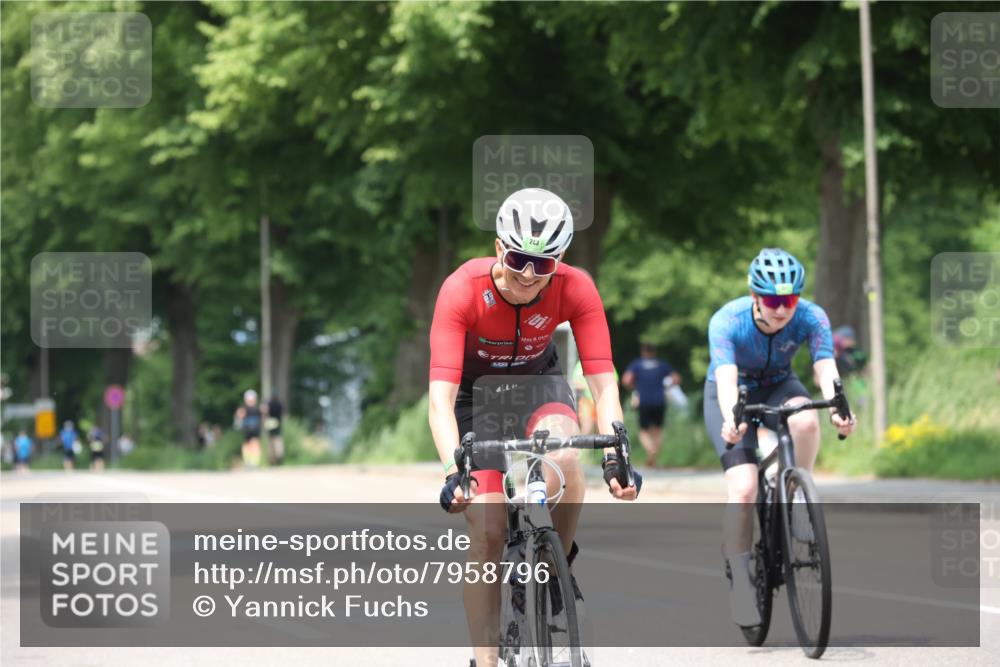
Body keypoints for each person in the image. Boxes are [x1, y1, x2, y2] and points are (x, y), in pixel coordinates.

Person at [429, 188, 641, 667]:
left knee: (566, 457)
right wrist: (451, 471)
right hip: (474, 399)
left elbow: (604, 383)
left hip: (539, 387)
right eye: (519, 258)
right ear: (500, 247)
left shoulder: (576, 287)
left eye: (542, 265)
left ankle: (551, 567)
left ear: (560, 260)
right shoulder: (461, 289)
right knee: (486, 532)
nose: (528, 274)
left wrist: (616, 457)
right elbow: (439, 399)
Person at [704, 247, 855, 628]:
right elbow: (724, 378)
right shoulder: (728, 321)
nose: (781, 309)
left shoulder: (811, 316)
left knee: (805, 421)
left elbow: (825, 366)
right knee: (743, 487)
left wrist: (839, 404)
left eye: (789, 300)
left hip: (779, 386)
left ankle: (797, 493)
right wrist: (732, 419)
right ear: (755, 296)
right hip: (731, 393)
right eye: (772, 300)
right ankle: (740, 581)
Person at [622, 342, 681, 469]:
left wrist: (635, 387)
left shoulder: (637, 365)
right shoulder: (662, 365)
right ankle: (653, 459)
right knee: (658, 430)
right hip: (660, 401)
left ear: (643, 352)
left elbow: (626, 380)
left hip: (644, 401)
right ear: (654, 352)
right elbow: (676, 379)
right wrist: (666, 387)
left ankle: (651, 449)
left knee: (643, 431)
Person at [235, 389, 262, 467]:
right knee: (247, 445)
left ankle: (255, 462)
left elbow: (262, 416)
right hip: (246, 429)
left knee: (255, 444)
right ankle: (247, 462)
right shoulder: (243, 409)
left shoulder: (257, 409)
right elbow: (239, 416)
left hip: (255, 429)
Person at [265, 393, 284, 465]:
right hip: (277, 424)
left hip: (271, 424)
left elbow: (266, 413)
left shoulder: (269, 404)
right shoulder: (279, 404)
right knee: (277, 442)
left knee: (271, 442)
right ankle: (277, 457)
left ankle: (272, 459)